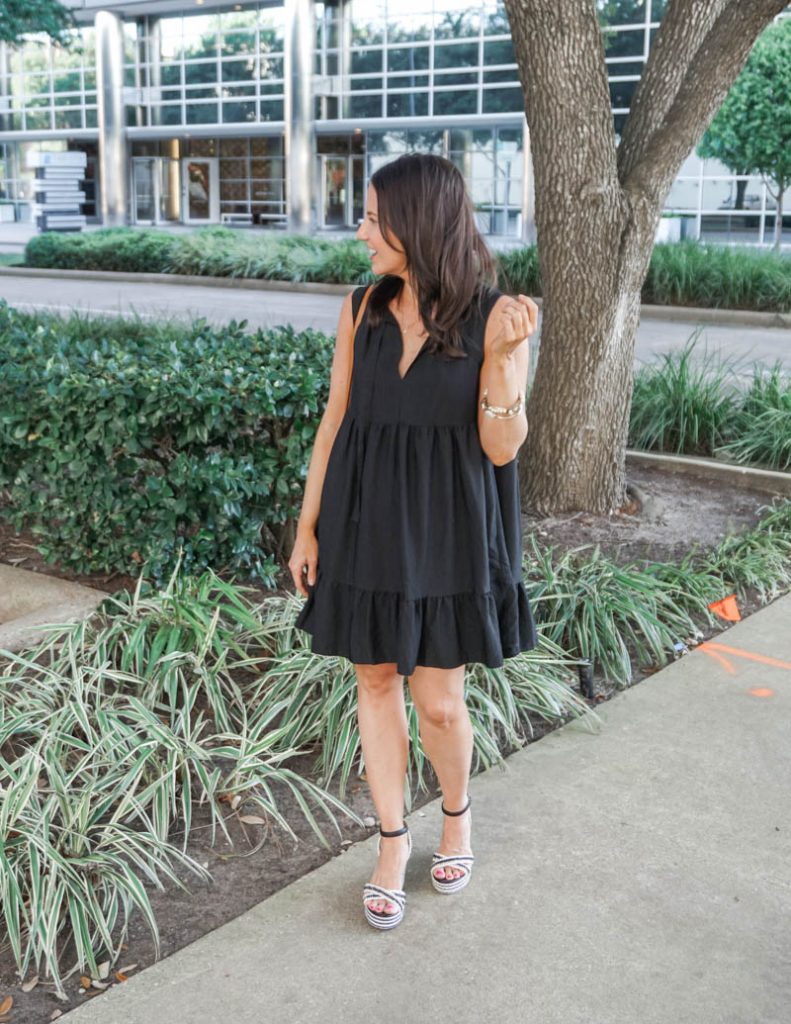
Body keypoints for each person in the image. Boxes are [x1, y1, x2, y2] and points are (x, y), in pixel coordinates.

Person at [288, 153, 538, 930]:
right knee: (371, 682)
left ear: (415, 223)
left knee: (435, 700)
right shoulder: (360, 307)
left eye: (371, 216)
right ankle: (392, 842)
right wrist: (307, 525)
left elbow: (502, 450)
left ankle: (456, 815)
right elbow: (336, 420)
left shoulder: (495, 314)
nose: (359, 230)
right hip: (363, 521)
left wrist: (499, 362)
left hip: (448, 528)